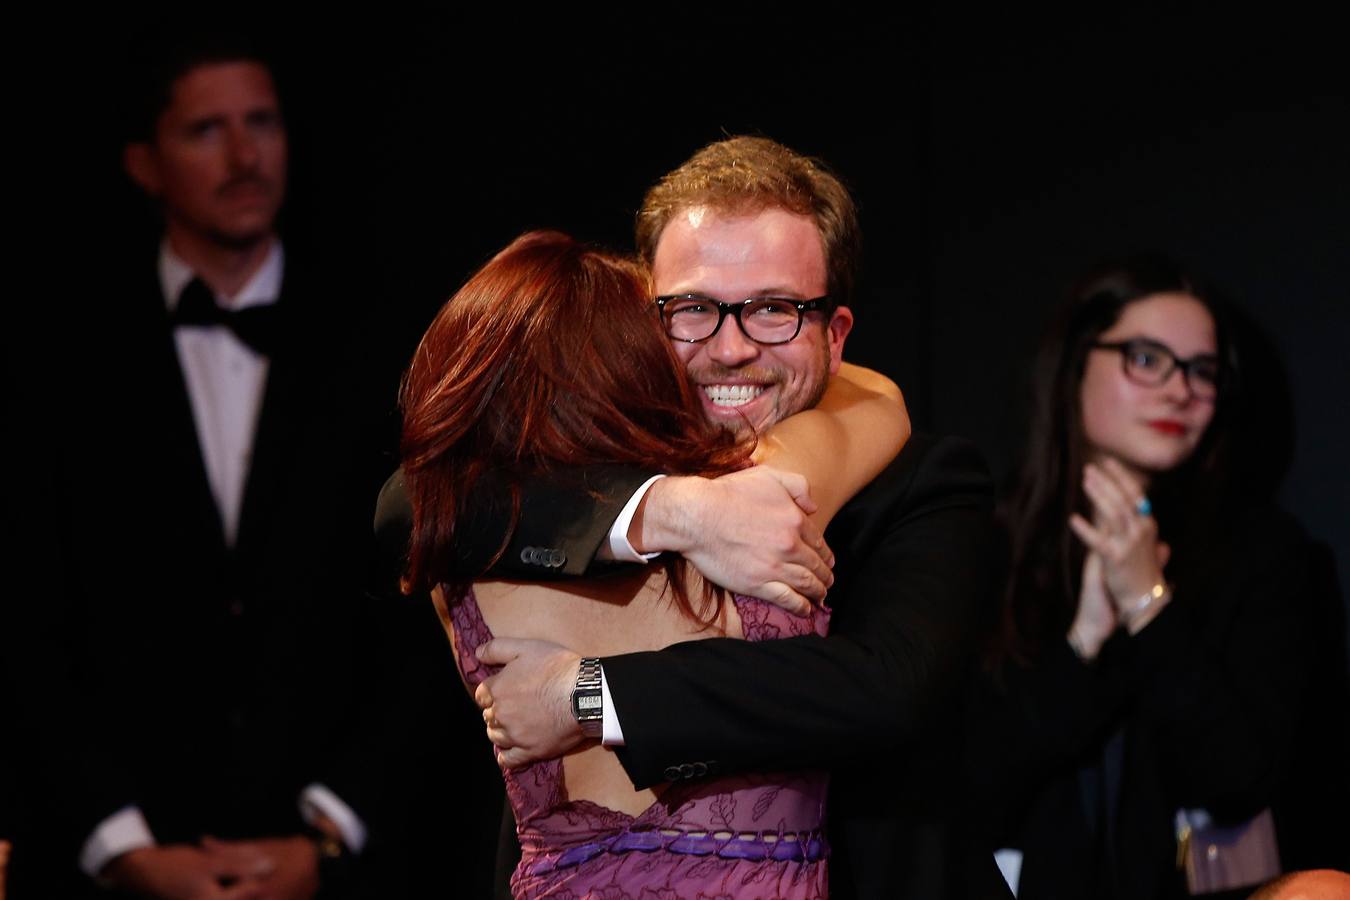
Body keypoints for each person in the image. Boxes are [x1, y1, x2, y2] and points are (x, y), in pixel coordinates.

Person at [377, 136, 1010, 898]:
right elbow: (407, 504)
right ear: (645, 322)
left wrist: (585, 695)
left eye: (774, 310)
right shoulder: (593, 475)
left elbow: (885, 689)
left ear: (835, 334)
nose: (732, 348)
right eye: (695, 311)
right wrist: (669, 514)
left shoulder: (925, 482)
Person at [27, 35, 420, 898]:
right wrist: (123, 848)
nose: (245, 157)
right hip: (112, 862)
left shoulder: (388, 343)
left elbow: (425, 611)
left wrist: (328, 836)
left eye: (262, 123)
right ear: (143, 162)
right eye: (207, 130)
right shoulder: (61, 359)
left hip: (344, 865)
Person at [963, 255, 1350, 899]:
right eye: (1147, 359)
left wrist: (1149, 607)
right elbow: (972, 787)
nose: (1179, 390)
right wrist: (1084, 642)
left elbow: (1239, 780)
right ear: (1077, 364)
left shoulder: (1268, 555)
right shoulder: (990, 544)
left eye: (1202, 371)